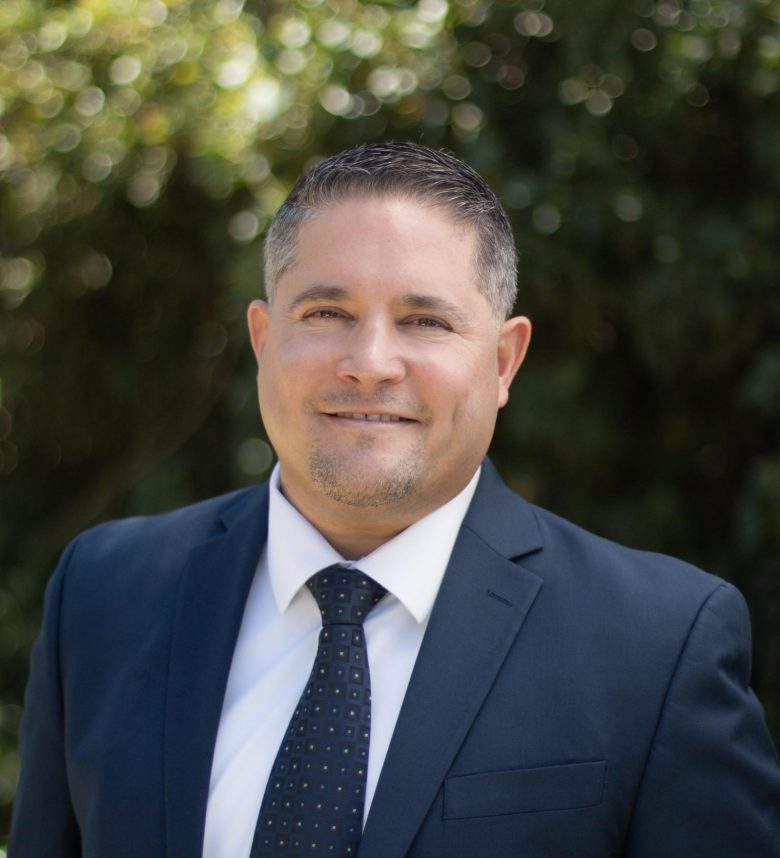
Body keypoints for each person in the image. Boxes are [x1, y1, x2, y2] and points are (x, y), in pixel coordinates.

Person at [10, 142, 780, 857]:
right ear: (262, 340)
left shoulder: (657, 644)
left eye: (425, 321)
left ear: (505, 360)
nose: (370, 363)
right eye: (327, 315)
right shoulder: (105, 594)